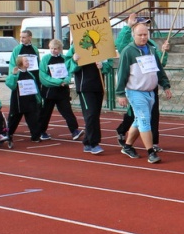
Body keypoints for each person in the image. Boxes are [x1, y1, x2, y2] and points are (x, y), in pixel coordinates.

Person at [115, 21, 171, 163]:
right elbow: (122, 73)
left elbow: (159, 69)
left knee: (138, 120)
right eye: (140, 35)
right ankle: (151, 152)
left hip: (150, 92)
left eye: (145, 34)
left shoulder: (152, 50)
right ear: (134, 35)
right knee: (145, 120)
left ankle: (127, 146)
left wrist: (165, 85)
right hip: (135, 92)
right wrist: (120, 93)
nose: (143, 37)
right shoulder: (128, 51)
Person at [67, 42, 109, 155]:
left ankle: (87, 141)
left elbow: (108, 64)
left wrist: (103, 66)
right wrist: (74, 60)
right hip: (85, 86)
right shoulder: (76, 46)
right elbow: (68, 65)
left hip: (99, 86)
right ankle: (93, 143)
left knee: (95, 115)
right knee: (90, 114)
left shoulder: (101, 46)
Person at [38, 38, 83, 141]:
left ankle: (74, 130)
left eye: (56, 49)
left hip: (62, 91)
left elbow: (69, 71)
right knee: (46, 112)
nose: (54, 50)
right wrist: (58, 82)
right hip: (50, 91)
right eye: (52, 48)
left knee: (67, 111)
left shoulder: (64, 58)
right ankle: (41, 131)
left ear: (60, 49)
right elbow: (43, 76)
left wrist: (66, 81)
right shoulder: (45, 59)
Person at [9, 29, 46, 140]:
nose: (22, 39)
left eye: (24, 37)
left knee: (34, 109)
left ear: (30, 37)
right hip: (20, 81)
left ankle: (37, 133)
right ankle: (9, 132)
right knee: (16, 112)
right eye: (21, 37)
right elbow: (12, 64)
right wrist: (14, 74)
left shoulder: (35, 49)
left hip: (33, 79)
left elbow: (38, 63)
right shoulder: (17, 49)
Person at [5, 56, 42, 143]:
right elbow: (10, 85)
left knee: (33, 119)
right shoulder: (16, 74)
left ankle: (35, 136)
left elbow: (35, 87)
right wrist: (13, 75)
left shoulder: (30, 74)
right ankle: (8, 134)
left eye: (28, 60)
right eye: (26, 61)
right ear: (20, 63)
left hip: (30, 101)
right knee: (13, 120)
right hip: (18, 102)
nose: (28, 62)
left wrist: (39, 99)